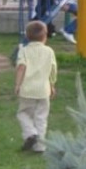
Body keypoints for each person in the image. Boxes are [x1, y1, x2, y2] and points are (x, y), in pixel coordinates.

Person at [14, 20, 57, 153]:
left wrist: (18, 84)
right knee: (41, 117)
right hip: (43, 90)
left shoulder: (24, 51)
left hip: (27, 90)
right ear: (45, 36)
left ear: (27, 36)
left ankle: (30, 133)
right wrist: (52, 85)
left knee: (23, 113)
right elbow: (53, 69)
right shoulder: (49, 51)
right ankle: (40, 146)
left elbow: (21, 67)